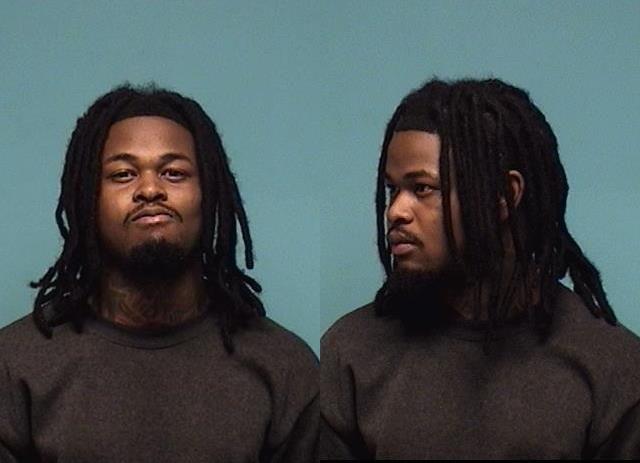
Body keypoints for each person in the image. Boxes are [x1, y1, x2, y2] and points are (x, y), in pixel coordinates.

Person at [320, 78, 640, 459]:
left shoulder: (611, 365)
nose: (396, 211)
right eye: (393, 190)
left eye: (422, 188)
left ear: (504, 196)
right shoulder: (350, 354)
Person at [0, 85, 318, 462]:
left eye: (173, 173)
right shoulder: (14, 363)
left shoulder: (285, 366)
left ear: (209, 192)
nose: (150, 189)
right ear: (86, 198)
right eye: (123, 174)